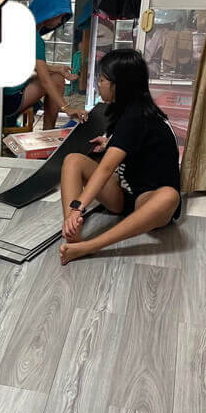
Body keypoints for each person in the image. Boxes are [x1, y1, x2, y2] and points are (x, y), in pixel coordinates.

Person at [59, 48, 181, 265]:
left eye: (102, 80)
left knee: (170, 196)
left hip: (148, 199)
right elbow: (135, 141)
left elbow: (106, 169)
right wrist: (109, 144)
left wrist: (78, 207)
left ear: (120, 85)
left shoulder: (136, 116)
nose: (98, 84)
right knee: (73, 160)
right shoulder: (129, 109)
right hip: (125, 191)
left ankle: (89, 246)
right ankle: (72, 234)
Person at [3, 0, 88, 130]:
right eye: (61, 16)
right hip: (9, 102)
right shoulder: (34, 38)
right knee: (56, 80)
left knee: (55, 75)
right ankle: (48, 131)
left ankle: (48, 130)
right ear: (50, 10)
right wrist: (67, 108)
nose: (61, 22)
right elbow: (45, 80)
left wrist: (57, 68)